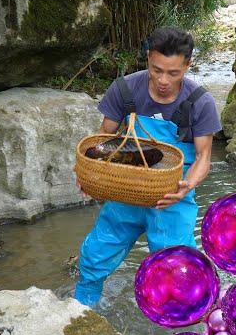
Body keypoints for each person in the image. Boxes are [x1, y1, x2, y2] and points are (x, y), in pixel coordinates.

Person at [74, 26, 222, 307]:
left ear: (188, 66)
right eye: (156, 70)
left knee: (178, 271)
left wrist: (186, 186)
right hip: (125, 191)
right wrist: (89, 176)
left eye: (173, 73)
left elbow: (204, 158)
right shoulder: (125, 88)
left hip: (171, 198)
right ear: (147, 59)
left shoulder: (199, 102)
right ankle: (83, 306)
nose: (163, 80)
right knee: (96, 253)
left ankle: (191, 325)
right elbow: (103, 143)